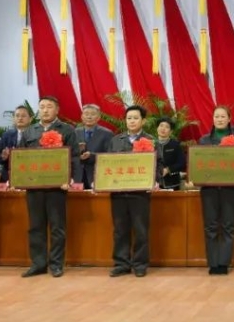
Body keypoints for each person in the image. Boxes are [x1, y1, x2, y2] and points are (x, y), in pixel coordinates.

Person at [20, 95, 80, 278]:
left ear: (57, 110)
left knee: (57, 227)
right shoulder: (30, 131)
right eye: (42, 106)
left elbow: (75, 157)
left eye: (49, 106)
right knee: (35, 227)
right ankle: (38, 264)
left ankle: (56, 264)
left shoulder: (67, 130)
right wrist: (20, 179)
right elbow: (20, 156)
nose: (45, 110)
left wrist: (70, 179)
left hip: (57, 187)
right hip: (34, 186)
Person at [192, 105, 234, 275]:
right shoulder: (204, 140)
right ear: (213, 119)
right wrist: (195, 177)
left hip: (230, 189)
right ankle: (213, 263)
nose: (219, 119)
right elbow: (197, 162)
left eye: (223, 116)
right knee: (210, 226)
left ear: (229, 119)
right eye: (216, 116)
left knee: (228, 226)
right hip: (208, 190)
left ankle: (223, 263)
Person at [106, 104, 157, 277]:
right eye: (129, 118)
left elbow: (159, 164)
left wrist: (155, 180)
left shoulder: (150, 140)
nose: (132, 121)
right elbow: (107, 163)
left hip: (140, 193)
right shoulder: (115, 140)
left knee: (141, 230)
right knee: (120, 230)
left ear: (143, 121)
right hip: (118, 193)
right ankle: (121, 263)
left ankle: (140, 264)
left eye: (135, 118)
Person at [74, 104, 113, 189]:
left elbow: (110, 156)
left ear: (98, 117)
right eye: (86, 114)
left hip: (96, 175)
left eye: (93, 114)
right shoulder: (75, 132)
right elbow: (70, 153)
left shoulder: (107, 133)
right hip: (77, 176)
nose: (89, 117)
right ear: (82, 117)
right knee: (76, 197)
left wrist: (92, 156)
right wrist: (78, 152)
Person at [0, 104, 34, 183]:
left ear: (30, 119)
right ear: (13, 119)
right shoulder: (6, 135)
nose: (20, 118)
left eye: (23, 116)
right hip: (8, 177)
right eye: (17, 116)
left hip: (30, 176)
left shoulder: (35, 135)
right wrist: (3, 157)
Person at [154, 117, 186, 190]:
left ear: (171, 131)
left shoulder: (175, 145)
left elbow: (181, 163)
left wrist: (168, 170)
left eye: (167, 127)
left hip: (172, 184)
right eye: (161, 126)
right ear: (157, 128)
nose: (163, 129)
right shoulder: (151, 144)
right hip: (154, 184)